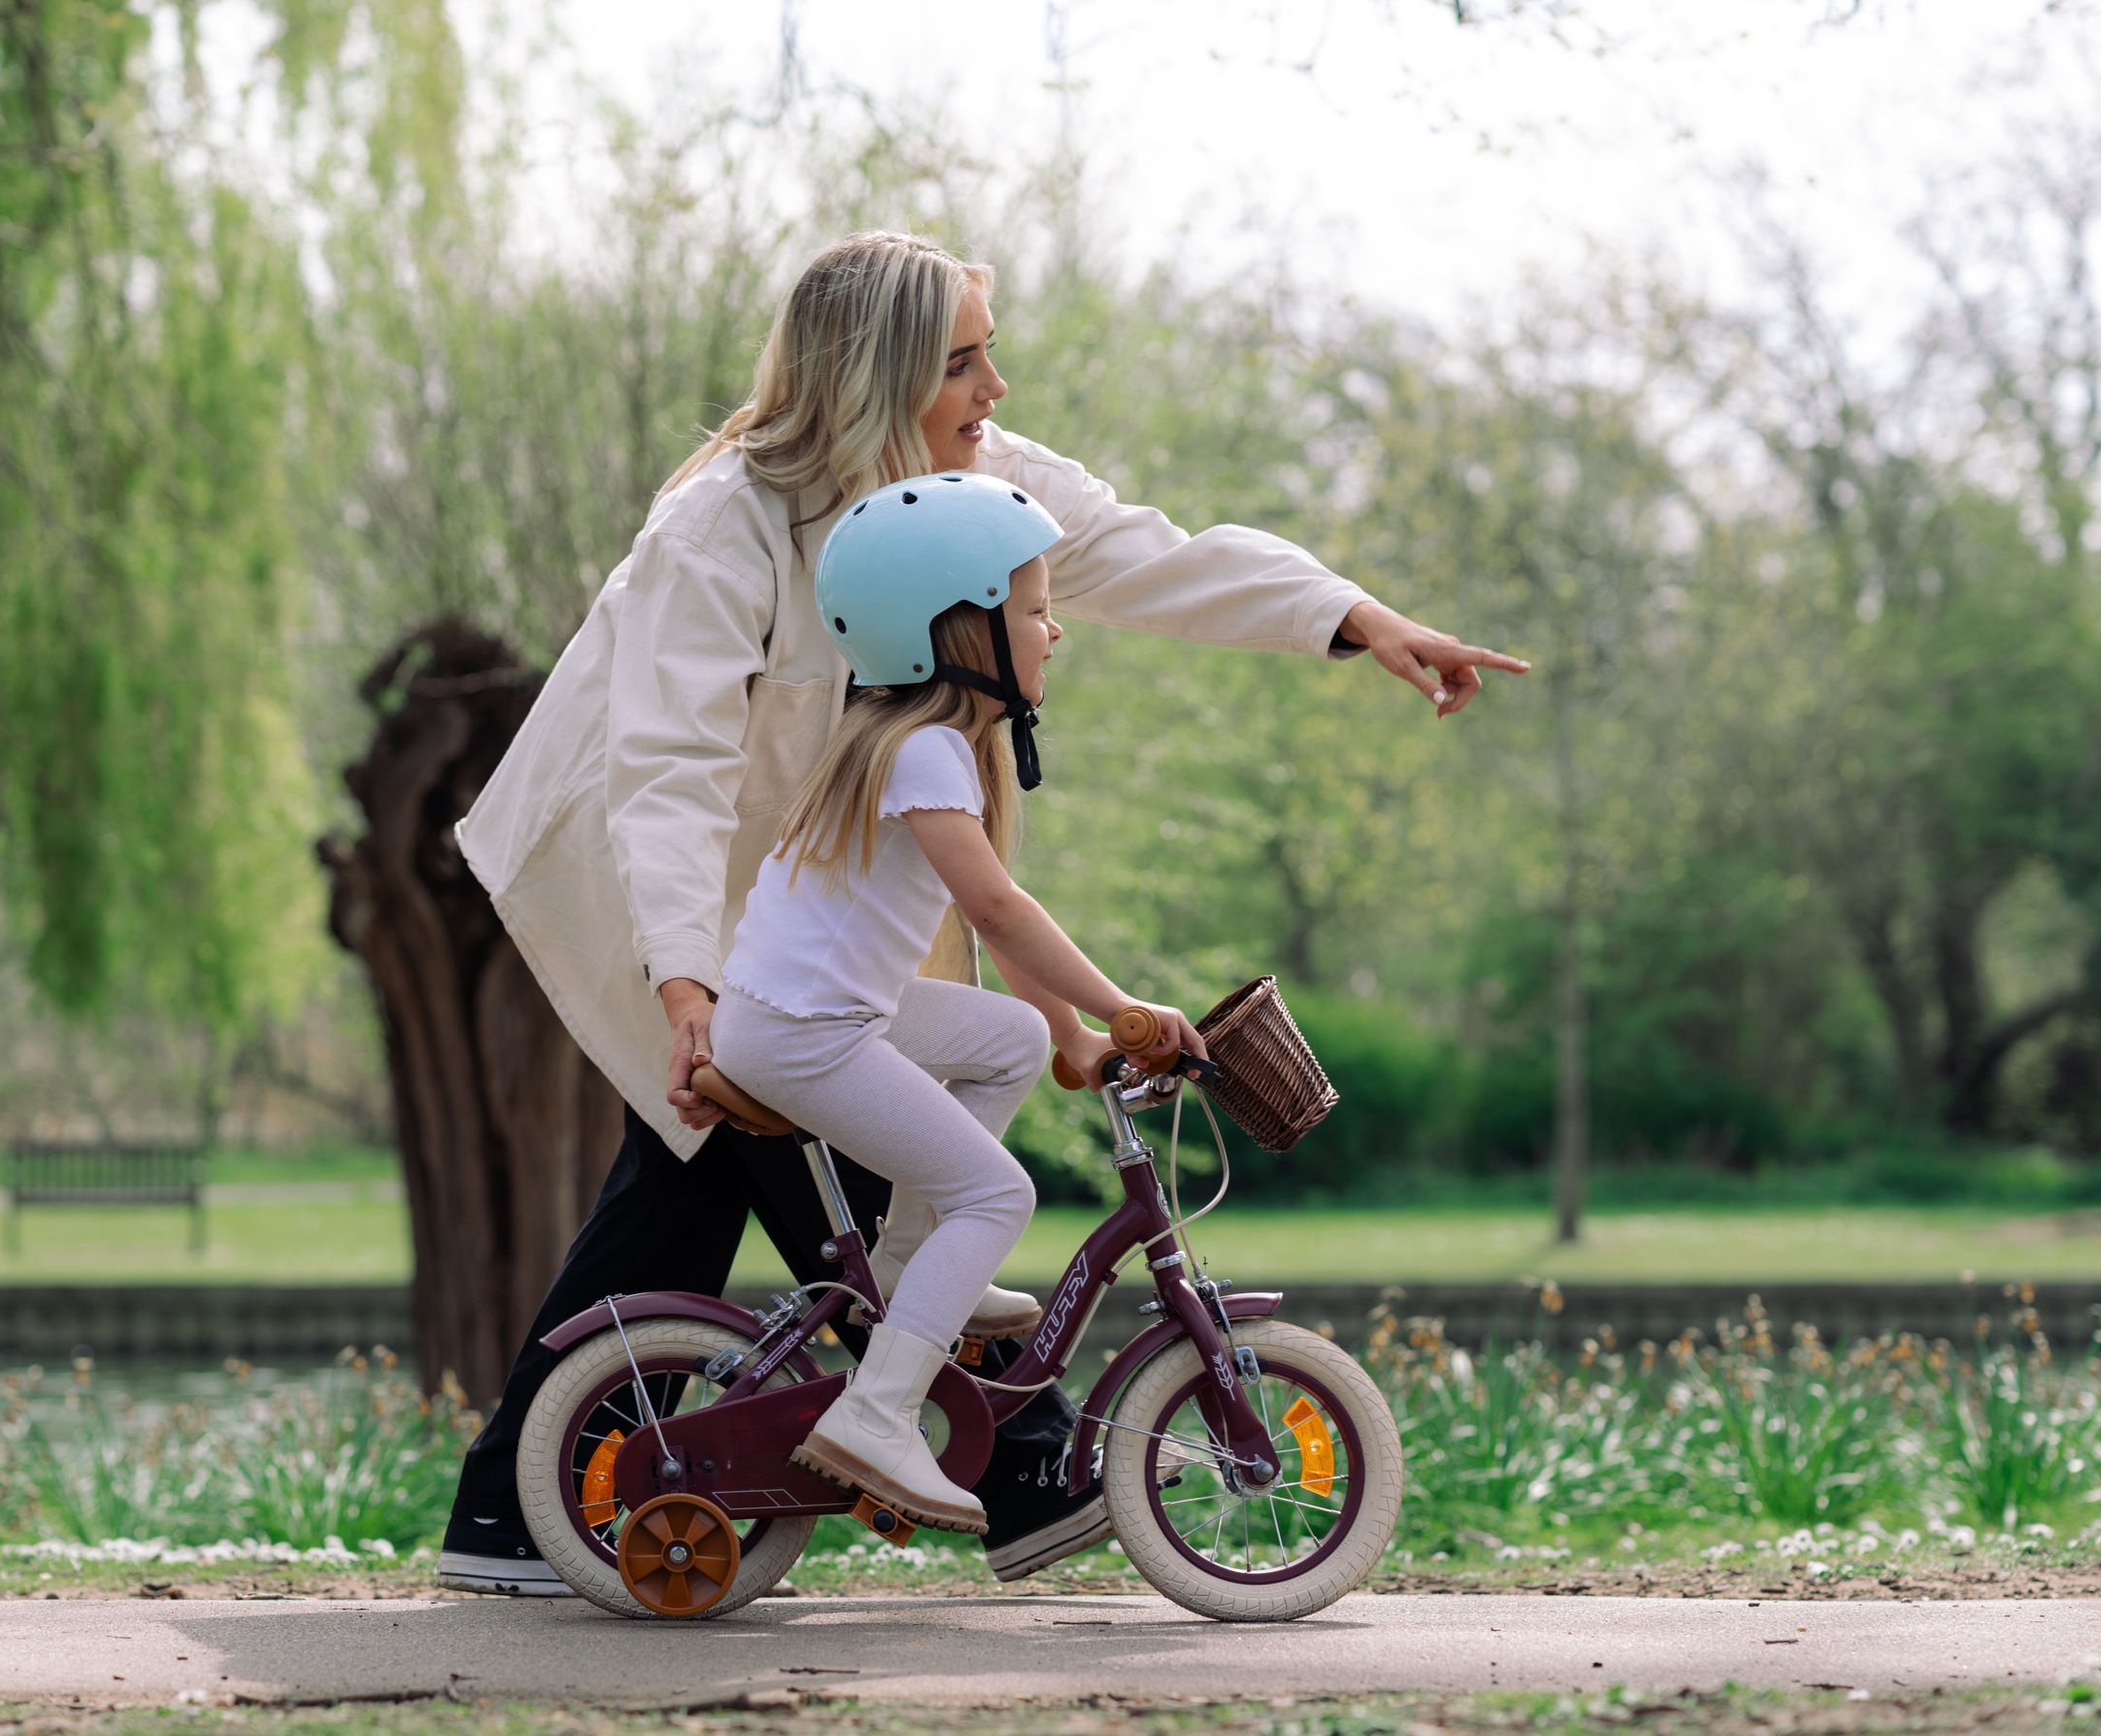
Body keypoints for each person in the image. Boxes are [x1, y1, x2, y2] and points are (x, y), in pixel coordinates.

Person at [441, 230, 1526, 1596]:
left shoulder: (976, 483)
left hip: (810, 900)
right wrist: (680, 986)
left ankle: (525, 1513)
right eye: (963, 361)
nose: (997, 387)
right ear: (878, 375)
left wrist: (1359, 618)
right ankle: (1014, 1466)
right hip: (658, 873)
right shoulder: (723, 522)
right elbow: (666, 773)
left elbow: (1149, 555)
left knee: (713, 1181)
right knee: (822, 1155)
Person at [715, 472, 1209, 1533]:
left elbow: (998, 924)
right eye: (1033, 610)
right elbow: (995, 906)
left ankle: (905, 1265)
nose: (1054, 631)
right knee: (999, 1198)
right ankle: (878, 1413)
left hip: (812, 1014)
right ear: (955, 631)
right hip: (806, 1033)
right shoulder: (927, 749)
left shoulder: (899, 739)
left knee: (1010, 1037)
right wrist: (1126, 1008)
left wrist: (1075, 1031)